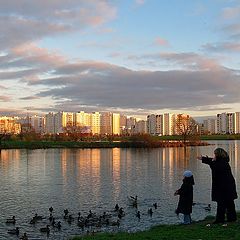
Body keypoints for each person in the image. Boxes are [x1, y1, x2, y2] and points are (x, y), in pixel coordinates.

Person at [198, 148, 238, 224]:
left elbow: (214, 165)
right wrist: (203, 158)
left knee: (221, 203)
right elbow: (212, 161)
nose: (214, 155)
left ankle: (220, 219)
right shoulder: (224, 161)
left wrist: (209, 161)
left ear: (218, 155)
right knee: (230, 203)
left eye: (215, 154)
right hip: (229, 185)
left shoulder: (220, 163)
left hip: (223, 186)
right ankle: (232, 218)